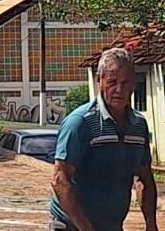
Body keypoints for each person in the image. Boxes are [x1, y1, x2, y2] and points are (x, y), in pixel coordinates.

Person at [50, 47, 158, 231]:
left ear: (134, 84)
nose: (119, 90)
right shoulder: (80, 123)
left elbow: (144, 178)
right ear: (99, 81)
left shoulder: (138, 125)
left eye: (125, 83)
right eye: (112, 82)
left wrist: (151, 224)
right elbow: (60, 180)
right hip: (72, 226)